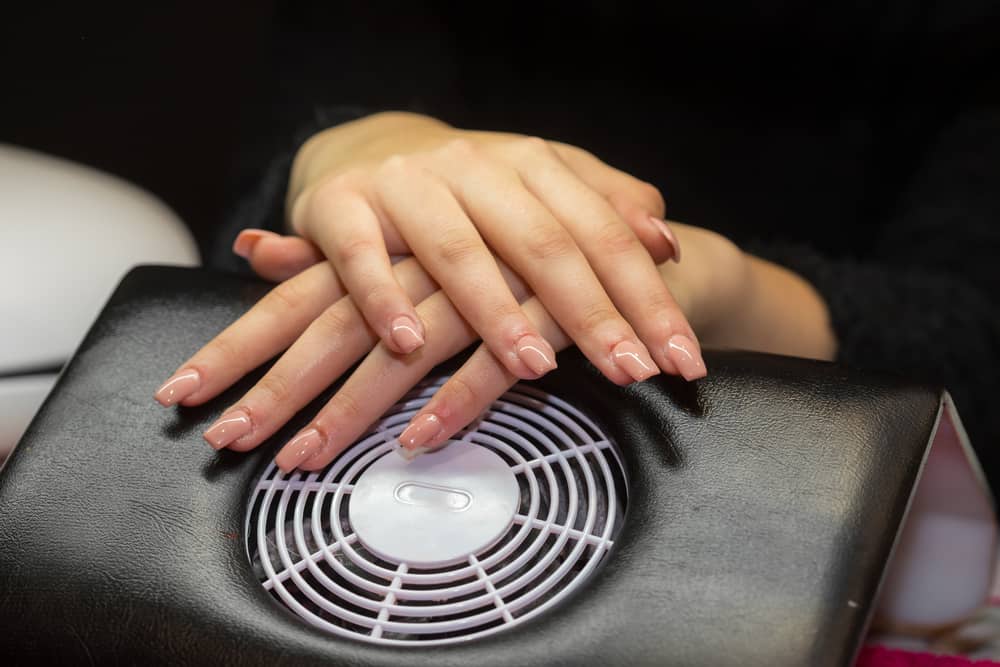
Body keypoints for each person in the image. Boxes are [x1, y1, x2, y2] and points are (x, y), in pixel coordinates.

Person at [153, 4, 1000, 486]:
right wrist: (352, 153)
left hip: (775, 463)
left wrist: (712, 284)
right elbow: (271, 215)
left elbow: (974, 333)